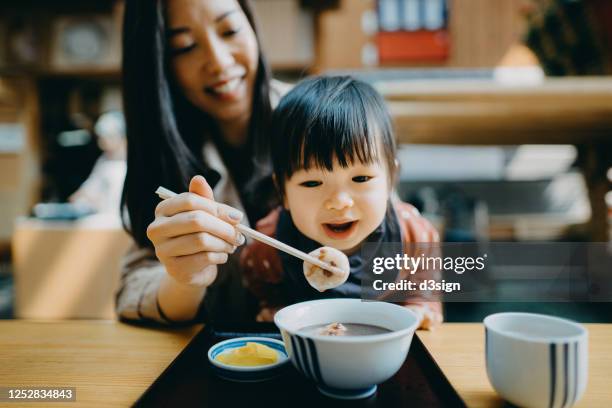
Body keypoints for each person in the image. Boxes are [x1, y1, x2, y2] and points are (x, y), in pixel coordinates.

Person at [116, 0, 439, 325]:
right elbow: (132, 289)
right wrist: (183, 278)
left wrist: (416, 304)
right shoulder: (159, 154)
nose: (219, 61)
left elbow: (395, 239)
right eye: (184, 47)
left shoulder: (324, 118)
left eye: (229, 30)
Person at [240, 76, 443, 329]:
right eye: (312, 183)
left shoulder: (412, 235)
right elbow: (259, 282)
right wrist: (271, 307)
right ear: (283, 192)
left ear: (390, 180)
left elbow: (427, 283)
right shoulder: (269, 245)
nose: (339, 202)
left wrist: (420, 306)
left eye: (360, 178)